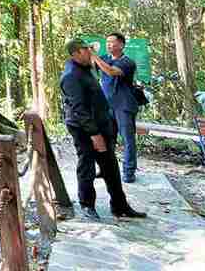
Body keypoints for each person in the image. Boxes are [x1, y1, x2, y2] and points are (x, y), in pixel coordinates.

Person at [60, 37, 147, 221]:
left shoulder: (86, 69)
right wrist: (94, 134)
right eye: (87, 49)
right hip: (84, 130)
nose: (91, 51)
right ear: (76, 54)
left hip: (101, 125)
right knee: (87, 166)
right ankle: (87, 205)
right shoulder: (71, 76)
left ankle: (120, 206)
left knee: (111, 167)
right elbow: (79, 110)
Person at [91, 31, 140, 183]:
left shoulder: (127, 62)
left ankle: (129, 172)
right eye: (107, 42)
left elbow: (111, 71)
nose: (109, 45)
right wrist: (88, 53)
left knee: (127, 139)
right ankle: (106, 169)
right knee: (106, 140)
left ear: (121, 45)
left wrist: (94, 56)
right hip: (106, 107)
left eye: (112, 42)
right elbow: (91, 67)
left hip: (124, 106)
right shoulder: (104, 58)